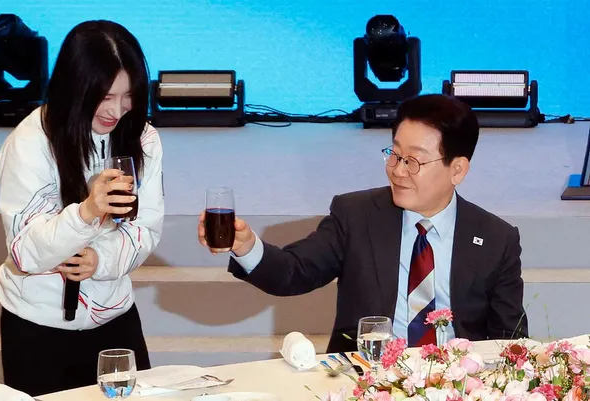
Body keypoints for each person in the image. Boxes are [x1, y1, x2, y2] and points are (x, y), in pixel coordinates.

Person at [198, 94, 528, 353]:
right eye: (394, 154)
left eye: (413, 161)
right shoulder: (356, 215)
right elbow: (293, 272)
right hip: (366, 378)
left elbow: (510, 338)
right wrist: (247, 247)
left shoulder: (496, 239)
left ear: (457, 169)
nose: (398, 170)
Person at [0, 20, 164, 396]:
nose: (117, 110)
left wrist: (99, 260)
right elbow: (25, 254)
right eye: (105, 96)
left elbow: (146, 229)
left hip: (116, 319)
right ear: (75, 87)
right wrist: (86, 212)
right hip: (37, 328)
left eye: (128, 96)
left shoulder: (143, 138)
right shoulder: (30, 142)